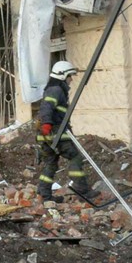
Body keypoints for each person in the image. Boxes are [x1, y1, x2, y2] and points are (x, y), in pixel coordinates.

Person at [35, 59, 91, 202]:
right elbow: (47, 107)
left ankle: (44, 194)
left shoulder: (53, 89)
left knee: (51, 163)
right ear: (62, 76)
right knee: (75, 157)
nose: (71, 80)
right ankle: (81, 189)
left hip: (45, 134)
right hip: (54, 132)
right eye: (69, 76)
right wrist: (47, 124)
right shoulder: (56, 90)